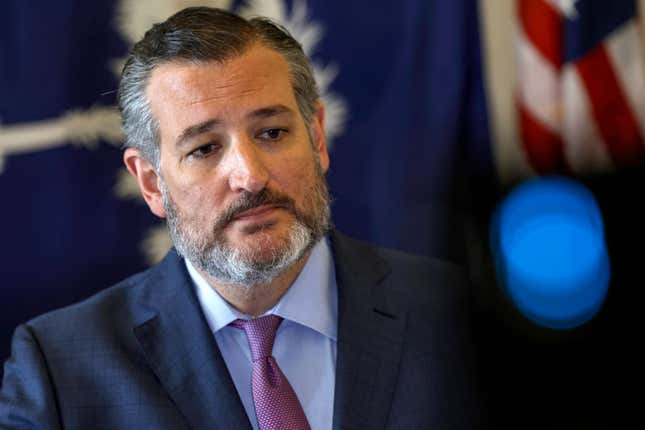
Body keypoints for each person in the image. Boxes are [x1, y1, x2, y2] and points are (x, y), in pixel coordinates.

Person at [0, 7, 480, 429]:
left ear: (316, 138)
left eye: (272, 132)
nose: (250, 175)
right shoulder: (59, 370)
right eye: (205, 148)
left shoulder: (459, 317)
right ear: (150, 182)